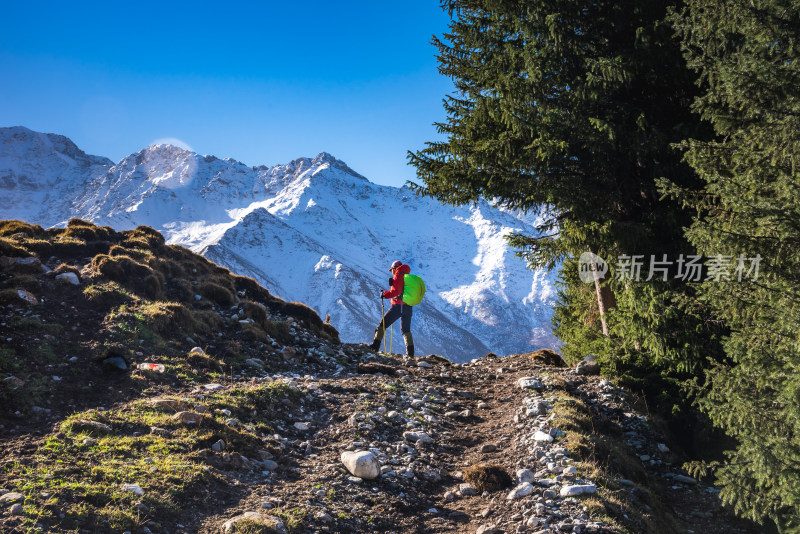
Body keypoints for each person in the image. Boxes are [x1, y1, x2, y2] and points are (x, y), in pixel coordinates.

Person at [369, 260, 415, 356]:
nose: (391, 272)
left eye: (392, 270)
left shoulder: (398, 275)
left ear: (395, 268)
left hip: (398, 306)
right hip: (408, 307)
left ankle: (375, 347)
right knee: (405, 330)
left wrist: (384, 294)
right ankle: (410, 354)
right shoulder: (408, 277)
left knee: (382, 324)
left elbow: (396, 292)